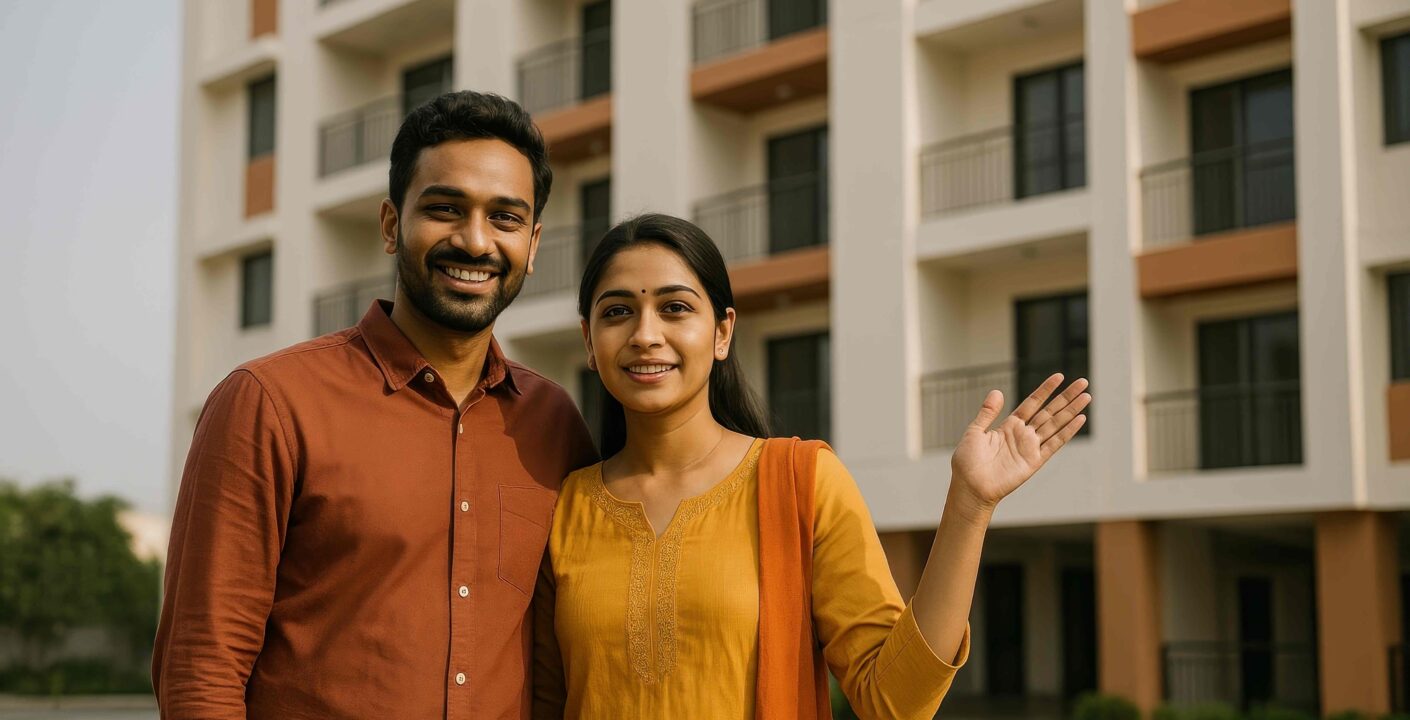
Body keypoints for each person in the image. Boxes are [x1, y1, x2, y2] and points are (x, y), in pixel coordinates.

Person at [531, 214, 1090, 719]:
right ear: (589, 338)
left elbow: (893, 701)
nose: (645, 335)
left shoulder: (798, 483)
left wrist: (970, 505)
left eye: (675, 308)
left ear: (723, 332)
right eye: (618, 312)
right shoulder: (563, 506)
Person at [153, 91, 597, 719]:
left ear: (533, 242)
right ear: (392, 225)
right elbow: (202, 668)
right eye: (445, 209)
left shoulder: (555, 424)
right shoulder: (269, 403)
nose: (475, 241)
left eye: (505, 218)